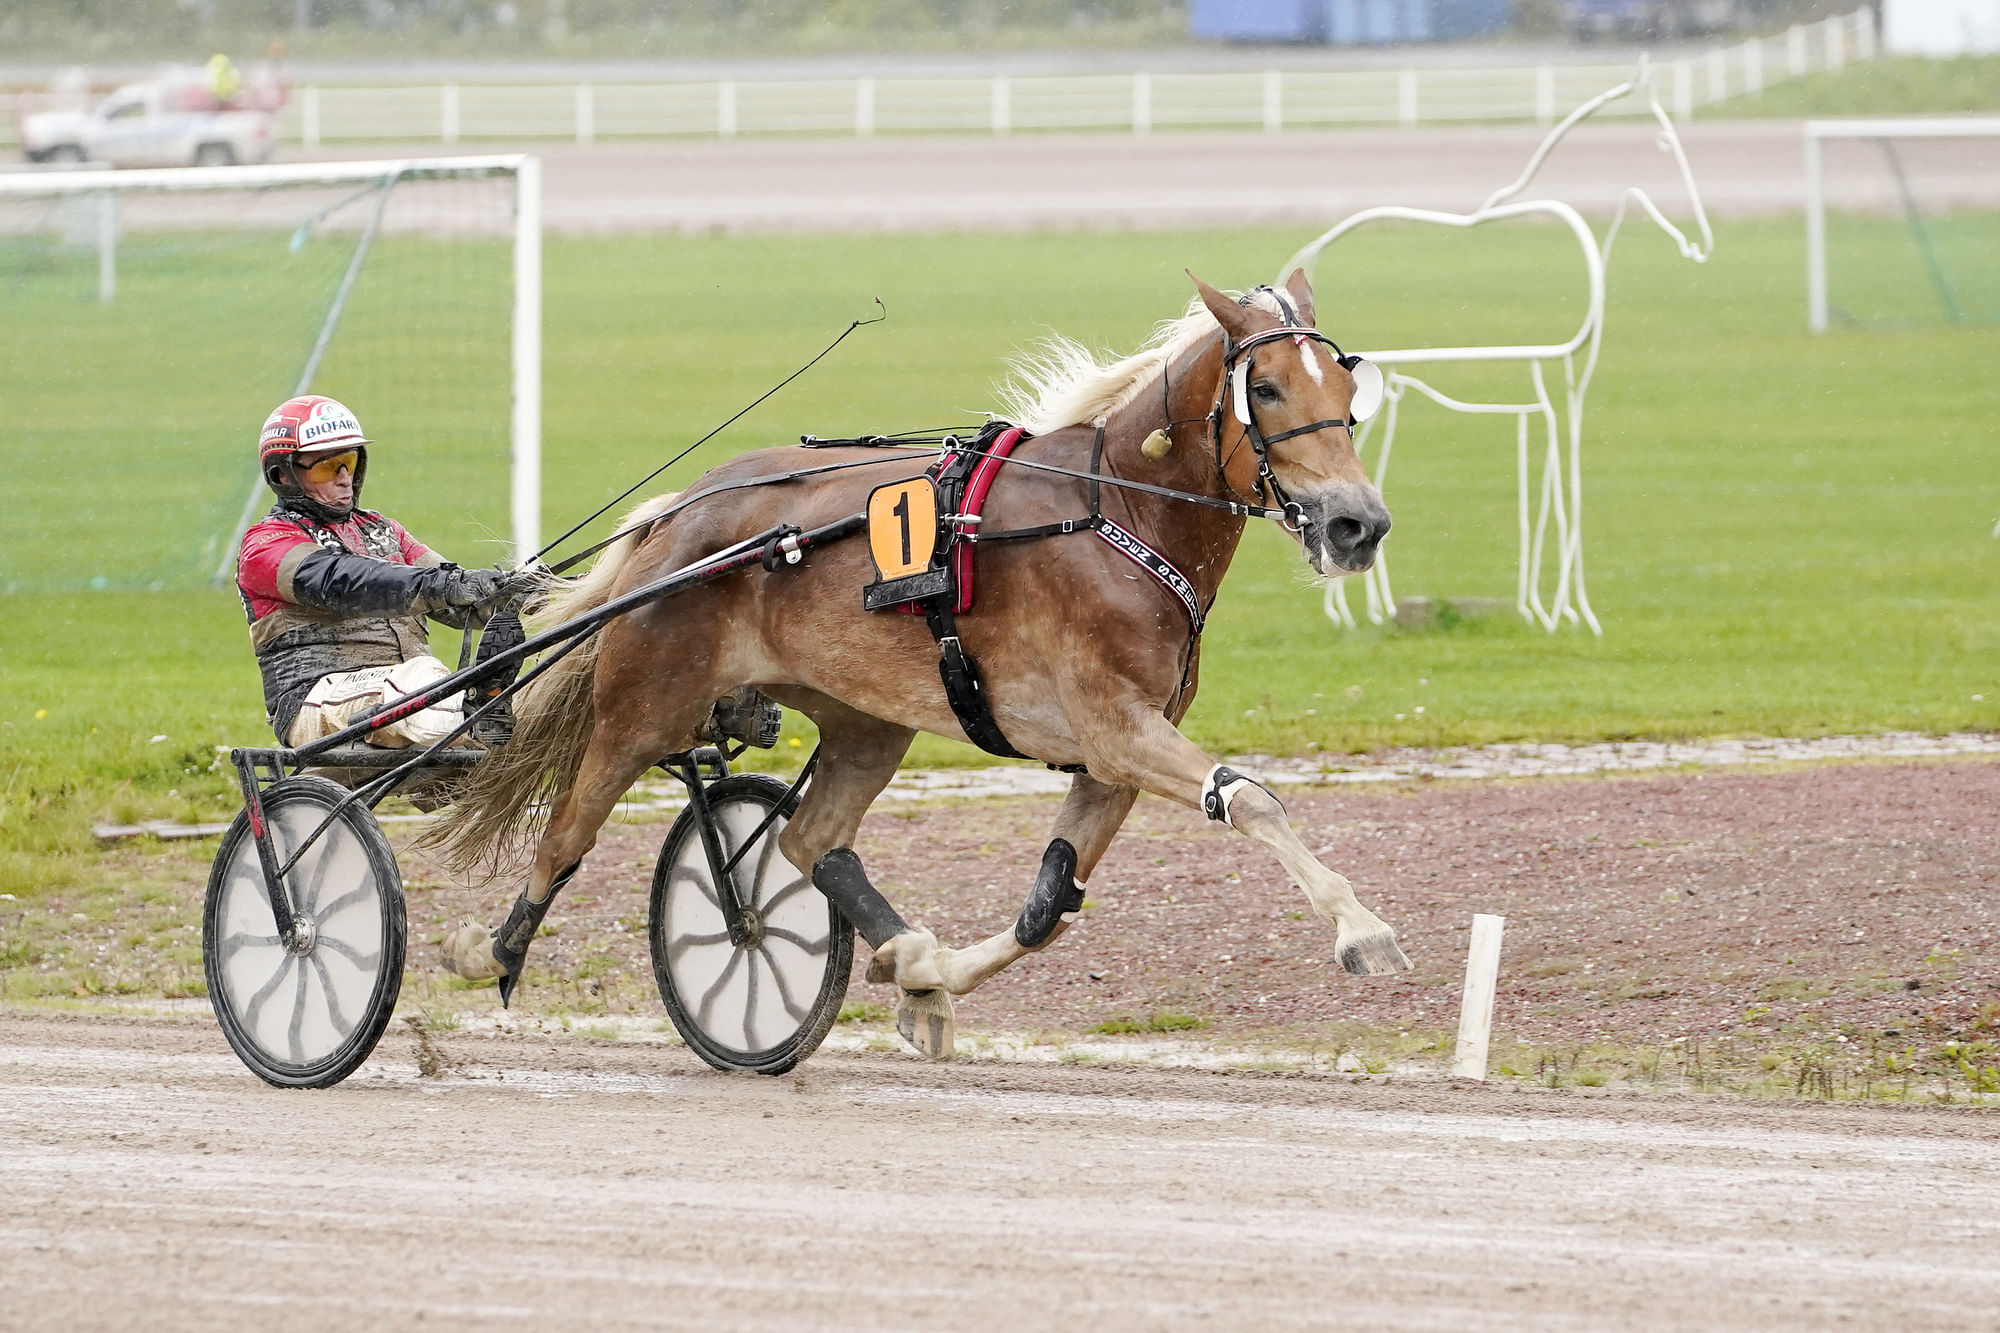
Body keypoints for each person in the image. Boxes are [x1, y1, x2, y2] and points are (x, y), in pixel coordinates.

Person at [236, 394, 535, 751]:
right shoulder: (267, 543)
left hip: (404, 704)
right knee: (421, 676)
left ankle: (479, 712)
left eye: (349, 461)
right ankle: (473, 713)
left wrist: (528, 592)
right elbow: (344, 581)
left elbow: (455, 599)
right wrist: (448, 585)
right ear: (281, 475)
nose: (345, 478)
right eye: (328, 467)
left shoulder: (383, 530)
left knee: (511, 688)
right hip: (313, 703)